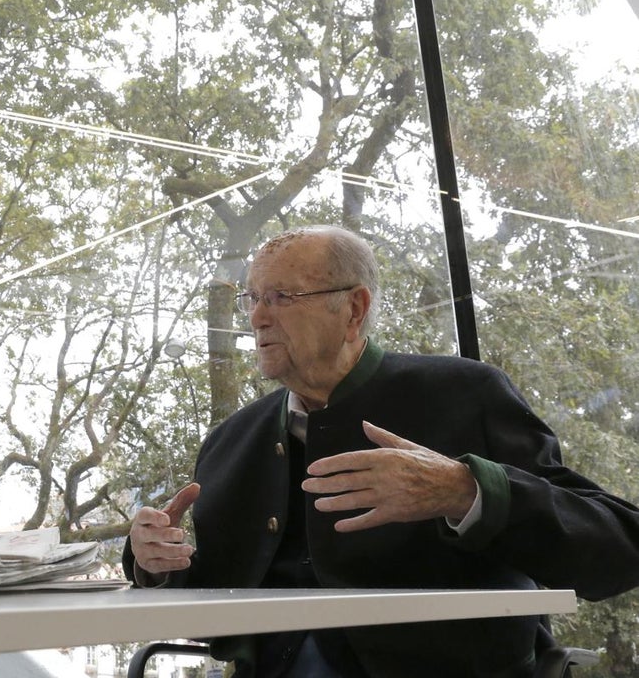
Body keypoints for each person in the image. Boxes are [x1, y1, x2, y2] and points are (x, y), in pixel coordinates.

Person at [124, 224, 639, 678]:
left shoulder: (465, 394)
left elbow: (617, 550)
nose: (257, 317)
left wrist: (466, 491)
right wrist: (159, 564)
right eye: (252, 297)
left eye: (281, 296)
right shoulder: (231, 441)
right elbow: (220, 595)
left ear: (354, 309)